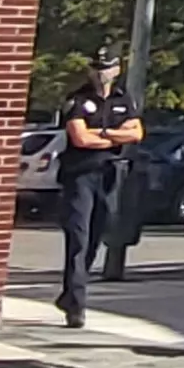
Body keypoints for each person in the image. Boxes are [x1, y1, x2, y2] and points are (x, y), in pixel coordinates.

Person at [51, 52, 141, 330]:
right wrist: (114, 136)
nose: (101, 73)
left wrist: (101, 134)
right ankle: (76, 306)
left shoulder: (123, 99)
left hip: (109, 173)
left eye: (107, 67)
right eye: (97, 68)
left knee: (95, 237)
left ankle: (70, 294)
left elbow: (136, 133)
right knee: (78, 237)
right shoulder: (78, 100)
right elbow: (80, 138)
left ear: (117, 70)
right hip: (80, 176)